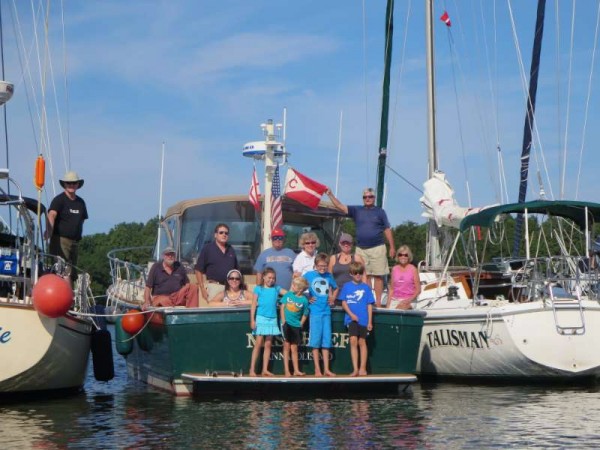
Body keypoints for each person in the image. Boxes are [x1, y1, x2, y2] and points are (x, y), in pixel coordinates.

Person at [326, 187, 395, 307]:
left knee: (378, 276)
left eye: (370, 197)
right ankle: (368, 300)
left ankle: (378, 303)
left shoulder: (380, 212)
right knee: (365, 275)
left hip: (377, 247)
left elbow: (387, 229)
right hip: (361, 248)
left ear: (374, 198)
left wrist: (392, 247)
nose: (367, 199)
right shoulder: (357, 210)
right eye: (365, 197)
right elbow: (340, 206)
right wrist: (330, 194)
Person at [46, 171, 88, 282]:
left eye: (74, 183)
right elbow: (51, 215)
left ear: (78, 185)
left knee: (72, 271)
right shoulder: (59, 200)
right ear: (65, 184)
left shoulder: (80, 202)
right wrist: (49, 231)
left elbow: (82, 219)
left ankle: (70, 296)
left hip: (74, 242)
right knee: (63, 270)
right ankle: (65, 296)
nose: (71, 185)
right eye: (69, 183)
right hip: (60, 240)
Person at [304, 252, 338, 377]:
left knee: (326, 341)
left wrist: (333, 297)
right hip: (315, 313)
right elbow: (297, 284)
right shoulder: (309, 275)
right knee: (315, 341)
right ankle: (317, 370)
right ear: (315, 265)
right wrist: (307, 297)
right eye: (320, 266)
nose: (322, 268)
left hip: (326, 312)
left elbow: (336, 288)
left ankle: (326, 370)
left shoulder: (329, 276)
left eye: (325, 266)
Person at [249, 267, 287, 377]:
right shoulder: (258, 289)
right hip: (261, 318)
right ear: (264, 277)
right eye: (269, 277)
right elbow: (253, 305)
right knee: (258, 344)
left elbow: (288, 294)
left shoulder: (276, 288)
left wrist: (301, 293)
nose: (271, 280)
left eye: (273, 278)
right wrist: (252, 320)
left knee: (268, 344)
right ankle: (252, 369)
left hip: (273, 318)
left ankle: (265, 369)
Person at [339, 262, 375, 376]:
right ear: (351, 274)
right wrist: (351, 314)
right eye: (355, 273)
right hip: (351, 319)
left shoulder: (366, 287)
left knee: (362, 341)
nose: (358, 275)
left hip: (363, 319)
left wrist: (370, 321)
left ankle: (362, 368)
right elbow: (343, 302)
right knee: (353, 340)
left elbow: (369, 305)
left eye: (360, 273)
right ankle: (355, 369)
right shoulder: (346, 286)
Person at [195, 223, 239, 302]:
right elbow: (198, 270)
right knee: (214, 313)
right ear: (215, 235)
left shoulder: (231, 249)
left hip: (230, 288)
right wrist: (202, 288)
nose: (224, 235)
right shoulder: (207, 249)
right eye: (221, 232)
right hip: (214, 287)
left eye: (226, 233)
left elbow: (236, 270)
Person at [280, 276, 310, 377]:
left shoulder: (304, 300)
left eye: (294, 285)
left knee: (294, 348)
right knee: (286, 346)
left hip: (296, 325)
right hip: (286, 324)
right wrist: (283, 320)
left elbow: (306, 313)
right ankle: (287, 370)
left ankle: (296, 370)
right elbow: (282, 306)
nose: (292, 286)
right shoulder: (288, 295)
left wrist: (301, 323)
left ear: (300, 289)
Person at [328, 232, 367, 300]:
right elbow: (329, 278)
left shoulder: (357, 258)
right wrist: (330, 295)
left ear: (352, 244)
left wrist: (363, 292)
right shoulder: (333, 258)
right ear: (339, 244)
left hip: (353, 295)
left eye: (348, 243)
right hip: (336, 295)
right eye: (343, 243)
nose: (346, 245)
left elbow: (364, 276)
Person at [389, 245, 421, 310]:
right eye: (400, 255)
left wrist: (408, 300)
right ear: (398, 256)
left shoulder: (413, 269)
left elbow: (418, 290)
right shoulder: (394, 269)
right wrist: (388, 305)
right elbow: (391, 289)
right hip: (395, 299)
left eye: (405, 255)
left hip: (410, 300)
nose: (403, 257)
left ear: (408, 256)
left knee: (401, 308)